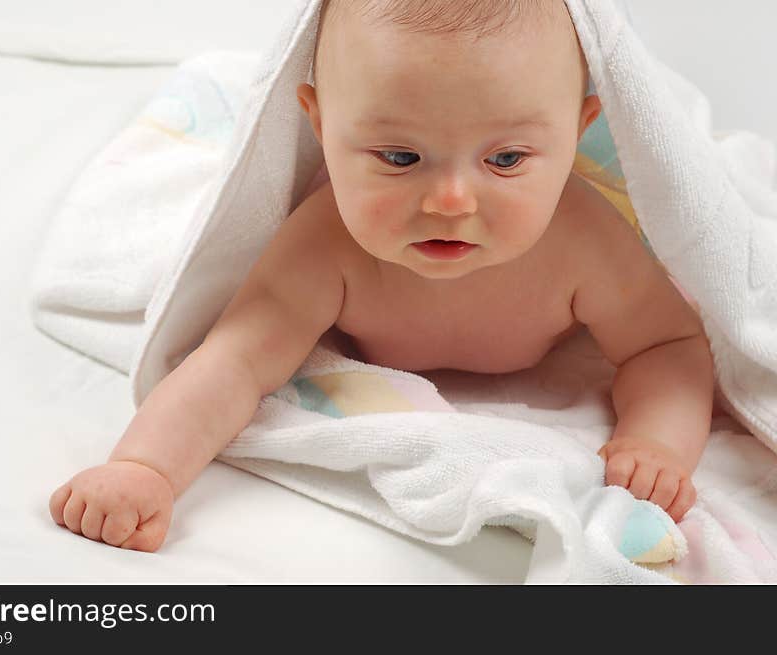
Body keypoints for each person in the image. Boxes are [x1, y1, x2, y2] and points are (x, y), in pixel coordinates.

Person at [50, 0, 714, 552]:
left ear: (576, 131)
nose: (451, 200)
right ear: (319, 122)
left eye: (506, 158)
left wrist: (656, 439)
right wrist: (145, 467)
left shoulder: (585, 242)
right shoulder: (325, 244)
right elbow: (236, 359)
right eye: (400, 156)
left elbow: (668, 345)